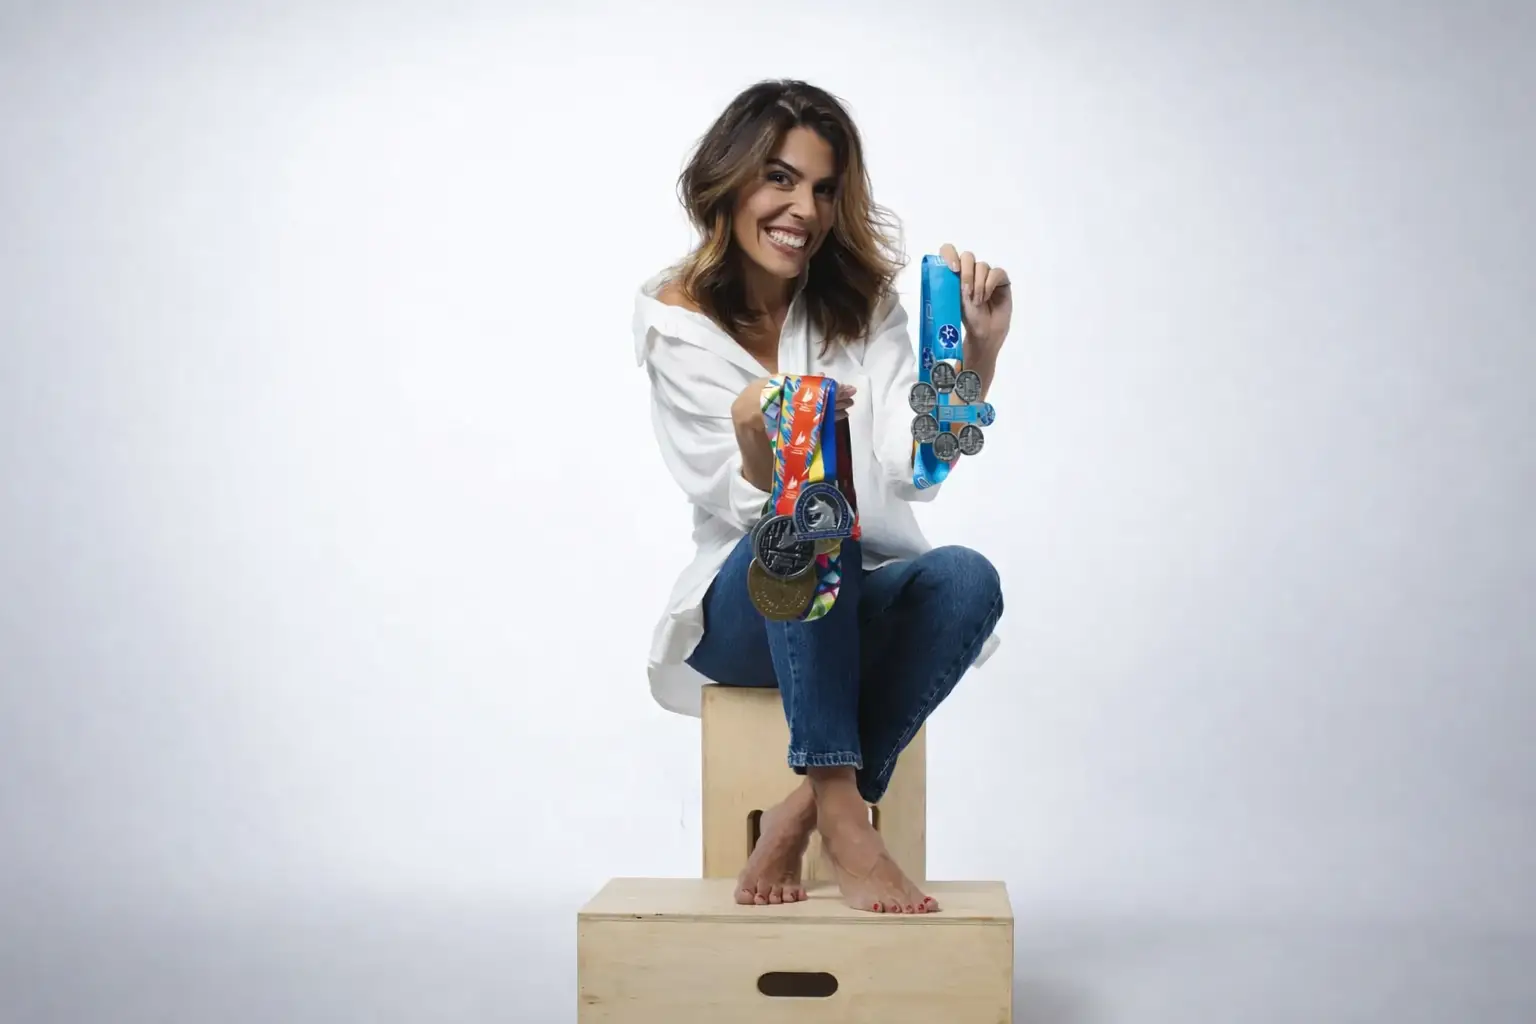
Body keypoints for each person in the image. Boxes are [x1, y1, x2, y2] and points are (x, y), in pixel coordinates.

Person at [632, 79, 1011, 915]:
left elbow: (913, 468)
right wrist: (755, 428)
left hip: (859, 596)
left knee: (968, 580)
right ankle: (848, 816)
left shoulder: (859, 303)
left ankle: (803, 810)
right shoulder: (676, 323)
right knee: (813, 511)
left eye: (824, 188)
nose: (802, 207)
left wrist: (975, 361)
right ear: (728, 183)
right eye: (779, 178)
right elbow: (738, 501)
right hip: (750, 611)